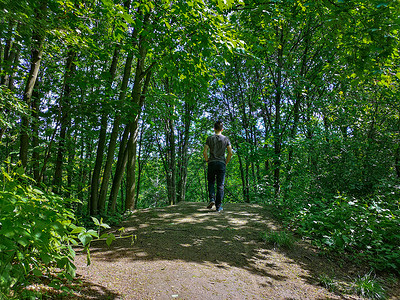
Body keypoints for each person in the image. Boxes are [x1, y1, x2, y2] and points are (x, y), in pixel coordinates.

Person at [203, 121, 233, 212]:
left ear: (214, 129)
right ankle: (218, 206)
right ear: (222, 129)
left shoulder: (209, 138)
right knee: (220, 185)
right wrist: (226, 162)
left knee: (211, 182)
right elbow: (230, 153)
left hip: (212, 163)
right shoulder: (226, 139)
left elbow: (205, 152)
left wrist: (208, 160)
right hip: (221, 163)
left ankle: (212, 199)